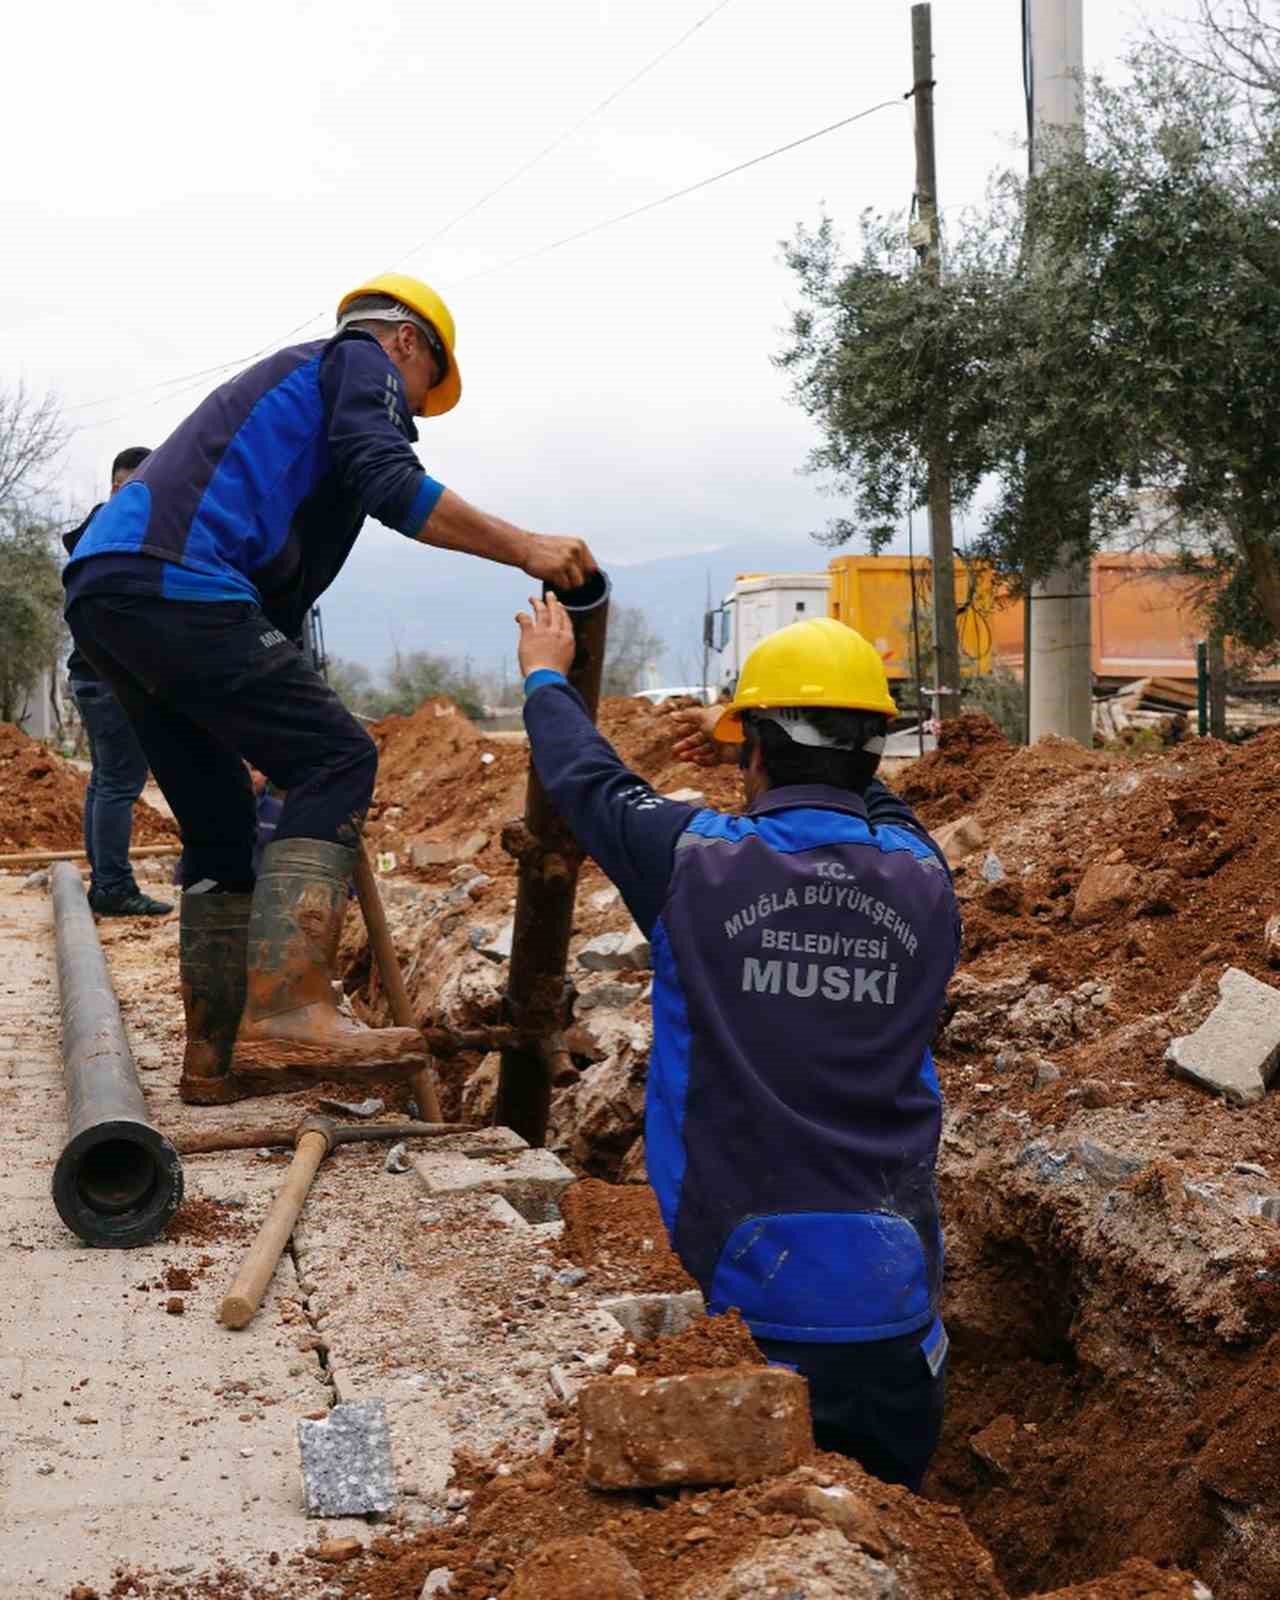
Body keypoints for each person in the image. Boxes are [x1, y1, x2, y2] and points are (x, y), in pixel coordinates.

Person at [63, 272, 597, 1106]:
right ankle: (289, 1013)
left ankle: (216, 1059)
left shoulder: (296, 418)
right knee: (336, 757)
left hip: (112, 588)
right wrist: (524, 546)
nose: (410, 411)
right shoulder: (359, 358)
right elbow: (389, 479)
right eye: (420, 396)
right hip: (174, 581)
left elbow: (280, 589)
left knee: (219, 822)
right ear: (409, 343)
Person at [514, 600, 960, 1492]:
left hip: (748, 1318)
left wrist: (544, 677)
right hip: (900, 1323)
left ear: (751, 749)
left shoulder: (694, 864)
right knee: (895, 1541)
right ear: (875, 750)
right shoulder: (925, 878)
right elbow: (874, 800)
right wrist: (843, 718)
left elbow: (587, 780)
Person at [63, 447, 172, 918]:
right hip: (109, 680)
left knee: (106, 781)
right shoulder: (113, 536)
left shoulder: (95, 536)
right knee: (120, 784)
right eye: (139, 487)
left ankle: (105, 880)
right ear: (116, 488)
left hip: (92, 676)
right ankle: (112, 886)